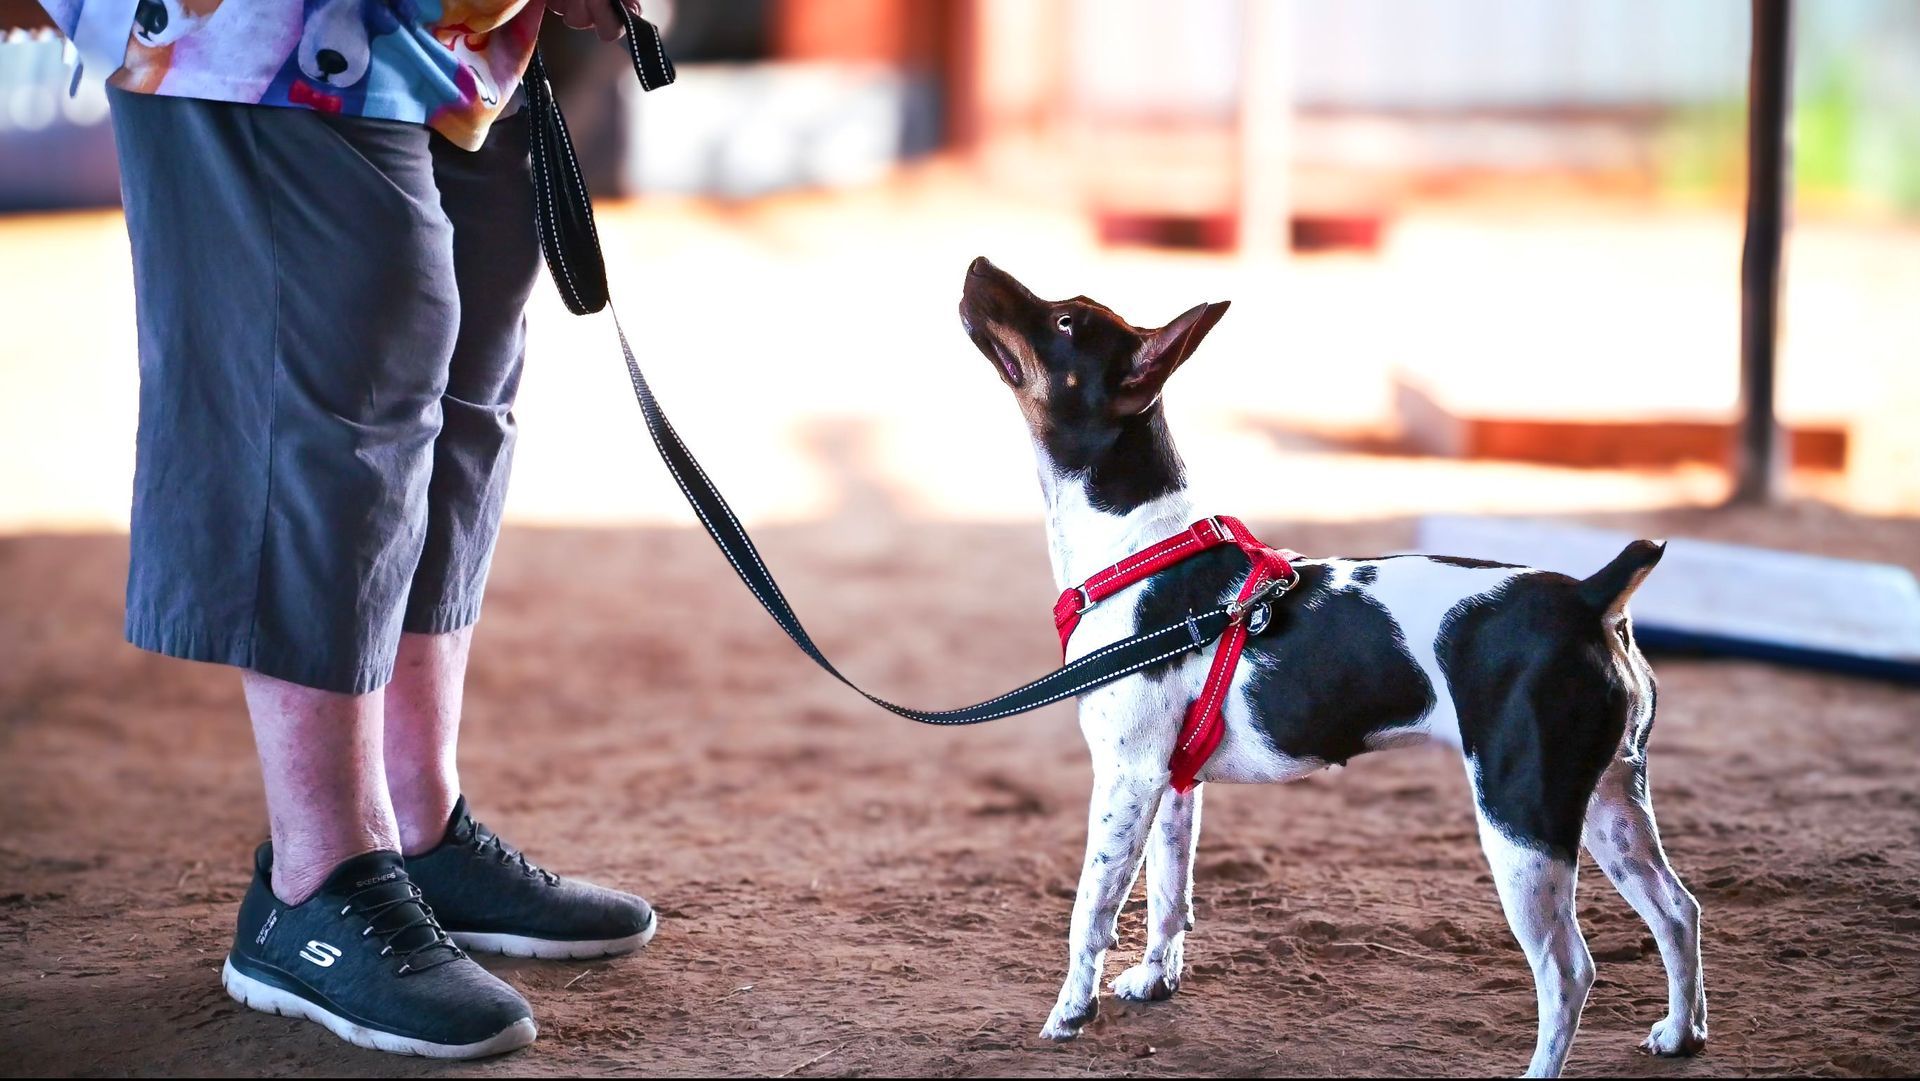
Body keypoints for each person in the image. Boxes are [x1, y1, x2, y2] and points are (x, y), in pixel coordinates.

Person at [41, 0, 651, 1059]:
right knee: (341, 357)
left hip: (459, 24)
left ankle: (417, 826)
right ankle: (318, 876)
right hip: (266, 24)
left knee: (468, 346)